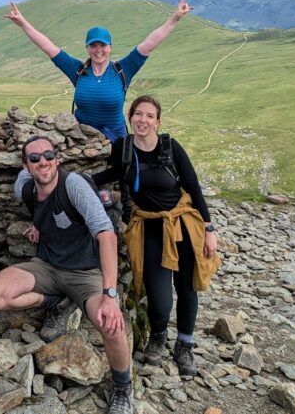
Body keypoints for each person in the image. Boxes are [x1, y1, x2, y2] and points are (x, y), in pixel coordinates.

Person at [0, 136, 134, 414]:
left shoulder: (73, 185)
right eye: (35, 158)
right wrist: (36, 224)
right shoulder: (25, 188)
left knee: (112, 324)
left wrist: (110, 295)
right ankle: (56, 301)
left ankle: (123, 386)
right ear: (26, 165)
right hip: (48, 266)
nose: (43, 162)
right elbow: (26, 186)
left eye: (49, 155)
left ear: (58, 158)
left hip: (85, 272)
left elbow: (106, 234)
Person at [92, 95, 219, 377]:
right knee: (160, 298)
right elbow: (115, 172)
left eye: (150, 116)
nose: (143, 120)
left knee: (187, 288)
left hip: (183, 225)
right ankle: (158, 336)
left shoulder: (171, 148)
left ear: (158, 122)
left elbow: (194, 188)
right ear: (131, 117)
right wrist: (79, 181)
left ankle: (184, 346)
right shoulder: (123, 147)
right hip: (149, 229)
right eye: (138, 114)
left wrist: (209, 230)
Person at [5, 0, 191, 141]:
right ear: (87, 48)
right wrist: (23, 23)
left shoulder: (123, 69)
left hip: (116, 139)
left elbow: (150, 43)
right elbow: (47, 47)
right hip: (81, 138)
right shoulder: (77, 70)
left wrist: (175, 18)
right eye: (93, 46)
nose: (98, 50)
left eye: (103, 45)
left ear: (110, 47)